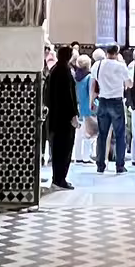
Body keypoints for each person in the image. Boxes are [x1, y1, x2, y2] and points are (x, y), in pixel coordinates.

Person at [93, 41, 130, 174]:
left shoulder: (97, 65)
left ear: (106, 52)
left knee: (102, 135)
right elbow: (129, 84)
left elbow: (94, 82)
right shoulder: (121, 67)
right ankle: (119, 165)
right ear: (117, 52)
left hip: (103, 101)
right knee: (120, 135)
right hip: (116, 102)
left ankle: (100, 165)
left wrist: (92, 100)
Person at [45, 43, 78, 190]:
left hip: (54, 117)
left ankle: (57, 178)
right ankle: (60, 179)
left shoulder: (54, 69)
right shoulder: (65, 71)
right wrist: (73, 115)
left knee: (57, 150)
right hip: (64, 119)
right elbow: (68, 96)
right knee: (64, 150)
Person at [74, 50, 95, 163]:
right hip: (87, 106)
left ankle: (77, 156)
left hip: (77, 106)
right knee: (88, 133)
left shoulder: (75, 77)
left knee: (78, 133)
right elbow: (91, 92)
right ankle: (86, 157)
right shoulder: (89, 77)